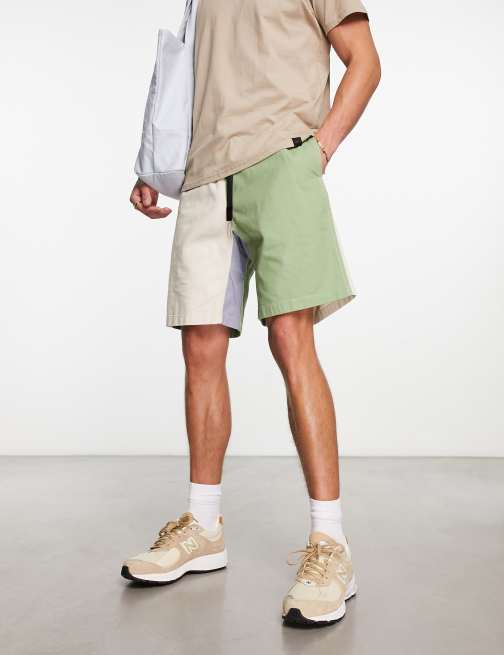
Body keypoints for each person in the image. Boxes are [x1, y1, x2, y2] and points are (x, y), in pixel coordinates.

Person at [124, 0, 380, 628]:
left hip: (282, 160)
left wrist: (319, 149)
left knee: (291, 339)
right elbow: (189, 71)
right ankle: (203, 526)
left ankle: (330, 543)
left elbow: (365, 62)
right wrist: (153, 162)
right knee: (200, 346)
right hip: (205, 175)